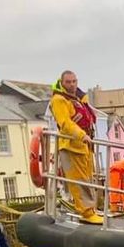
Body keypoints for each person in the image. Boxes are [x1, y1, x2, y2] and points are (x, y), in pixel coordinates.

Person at [50, 70, 103, 224]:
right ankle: (86, 212)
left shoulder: (78, 98)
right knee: (78, 180)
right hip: (71, 145)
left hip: (84, 145)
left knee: (87, 178)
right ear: (62, 82)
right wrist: (81, 135)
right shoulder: (59, 100)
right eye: (68, 82)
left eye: (74, 81)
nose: (72, 85)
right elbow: (65, 123)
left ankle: (91, 209)